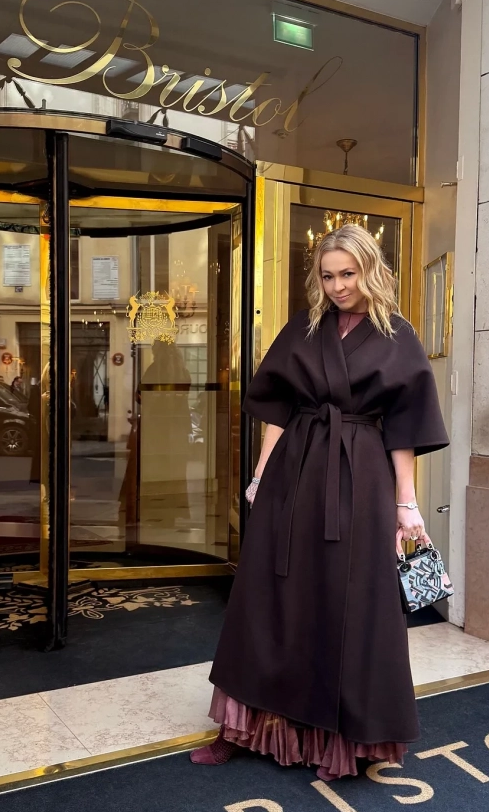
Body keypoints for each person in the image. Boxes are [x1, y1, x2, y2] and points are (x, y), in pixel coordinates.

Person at [192, 224, 448, 782]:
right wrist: (261, 475)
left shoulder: (398, 335)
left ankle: (337, 742)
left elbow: (404, 429)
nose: (338, 286)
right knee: (268, 596)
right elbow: (279, 410)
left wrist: (406, 504)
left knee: (347, 601)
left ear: (370, 269)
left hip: (361, 476)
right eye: (328, 276)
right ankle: (241, 727)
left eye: (348, 274)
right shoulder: (305, 327)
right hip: (295, 470)